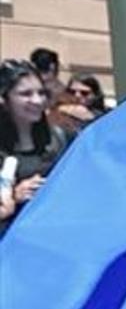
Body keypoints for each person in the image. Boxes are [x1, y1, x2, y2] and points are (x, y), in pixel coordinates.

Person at [0, 59, 73, 237]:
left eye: (41, 93)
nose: (37, 100)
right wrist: (15, 196)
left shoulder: (61, 137)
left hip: (55, 237)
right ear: (5, 100)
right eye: (25, 94)